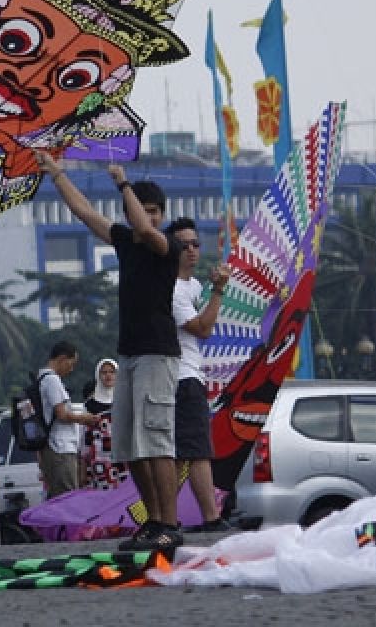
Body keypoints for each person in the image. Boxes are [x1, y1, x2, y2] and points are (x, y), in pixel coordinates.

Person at [36, 152, 185, 550]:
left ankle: (170, 523)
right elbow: (85, 213)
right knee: (130, 447)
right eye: (144, 210)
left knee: (156, 443)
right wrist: (58, 176)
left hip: (158, 353)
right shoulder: (125, 241)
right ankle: (152, 522)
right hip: (130, 353)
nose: (149, 217)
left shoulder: (164, 245)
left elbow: (147, 231)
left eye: (155, 211)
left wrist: (123, 184)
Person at [166, 217, 233, 531]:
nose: (192, 250)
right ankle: (210, 517)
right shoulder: (175, 290)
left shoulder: (192, 286)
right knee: (197, 451)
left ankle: (163, 518)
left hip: (187, 376)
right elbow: (203, 328)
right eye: (184, 244)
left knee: (181, 454)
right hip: (183, 378)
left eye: (195, 244)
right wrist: (218, 291)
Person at [36, 342, 100, 499]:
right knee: (68, 496)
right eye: (71, 364)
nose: (71, 369)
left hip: (53, 448)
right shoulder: (52, 380)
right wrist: (84, 419)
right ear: (63, 359)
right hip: (60, 448)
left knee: (57, 496)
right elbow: (62, 414)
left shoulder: (42, 378)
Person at [83, 359, 128, 490]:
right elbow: (85, 439)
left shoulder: (125, 400)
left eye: (112, 372)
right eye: (104, 372)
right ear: (98, 375)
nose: (108, 375)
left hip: (124, 458)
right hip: (99, 463)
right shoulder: (89, 405)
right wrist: (83, 466)